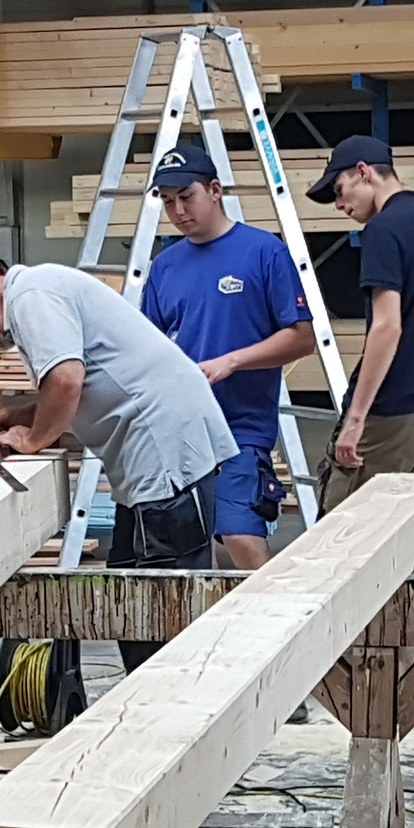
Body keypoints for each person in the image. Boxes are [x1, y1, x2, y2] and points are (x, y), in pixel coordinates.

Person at [0, 261, 237, 671]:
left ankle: (178, 693)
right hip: (150, 454)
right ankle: (145, 691)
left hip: (165, 450)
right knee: (131, 588)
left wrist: (33, 439)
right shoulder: (36, 292)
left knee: (165, 594)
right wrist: (26, 414)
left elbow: (67, 380)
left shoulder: (32, 296)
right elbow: (87, 379)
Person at [139, 143, 318, 571]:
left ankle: (271, 610)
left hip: (241, 426)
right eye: (168, 201)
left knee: (240, 534)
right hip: (180, 429)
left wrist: (231, 361)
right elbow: (147, 347)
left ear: (215, 190)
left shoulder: (263, 252)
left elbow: (301, 338)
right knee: (183, 549)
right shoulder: (165, 266)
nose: (178, 210)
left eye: (187, 197)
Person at [304, 133, 414, 576]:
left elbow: (387, 326)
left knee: (342, 539)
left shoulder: (383, 230)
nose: (340, 206)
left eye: (340, 191)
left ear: (364, 172)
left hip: (392, 411)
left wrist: (356, 418)